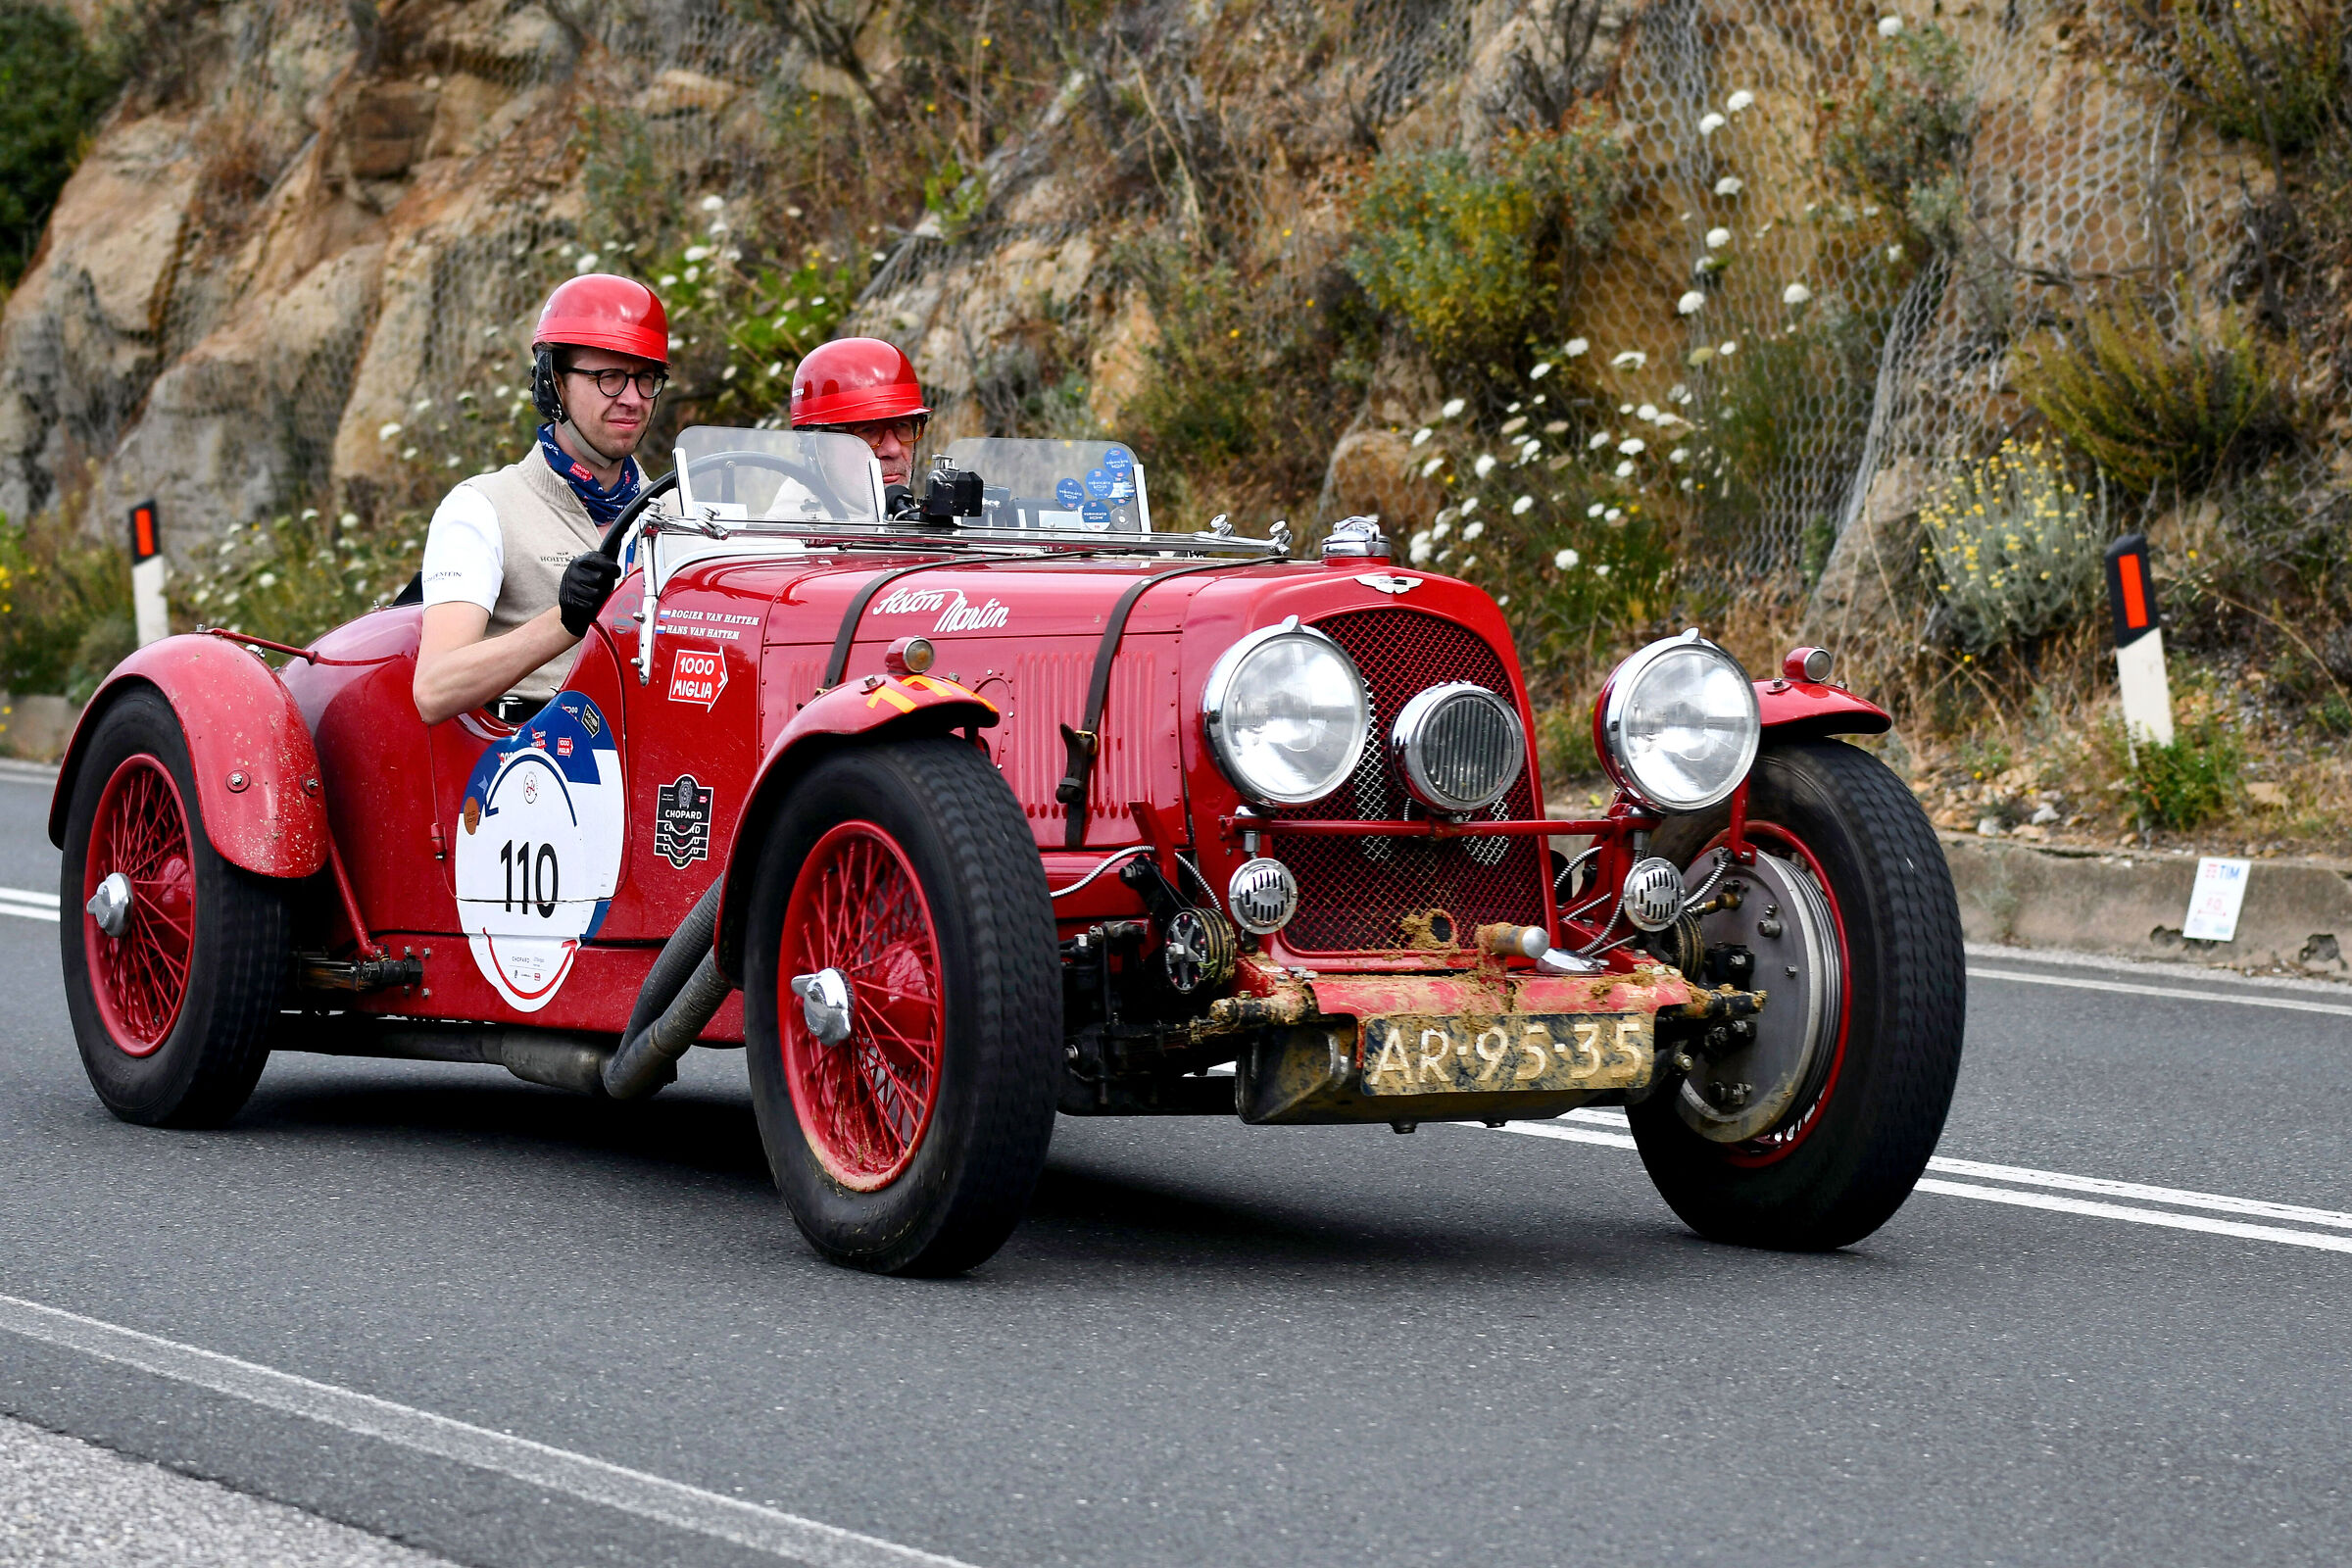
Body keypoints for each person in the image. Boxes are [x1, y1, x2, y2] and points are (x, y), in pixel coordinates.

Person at [412, 274, 670, 725]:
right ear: (554, 383)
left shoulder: (682, 517)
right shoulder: (482, 507)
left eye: (646, 379)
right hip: (532, 768)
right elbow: (434, 689)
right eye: (609, 377)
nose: (632, 398)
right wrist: (566, 621)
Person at [789, 336, 930, 489]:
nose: (893, 449)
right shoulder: (793, 513)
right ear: (817, 447)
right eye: (868, 430)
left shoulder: (906, 511)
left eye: (902, 425)